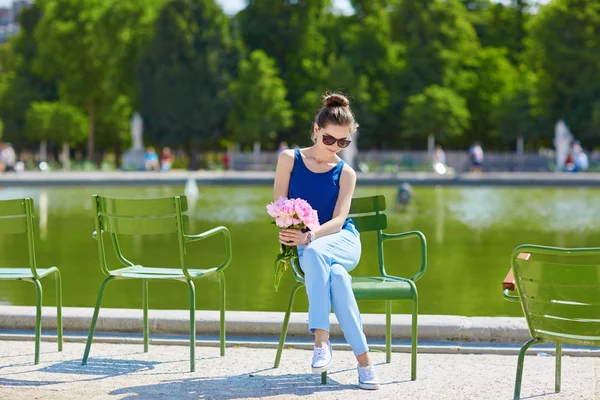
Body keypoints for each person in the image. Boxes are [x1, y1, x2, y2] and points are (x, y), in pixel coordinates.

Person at [273, 93, 379, 390]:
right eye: (330, 140)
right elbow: (279, 204)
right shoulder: (289, 159)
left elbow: (339, 219)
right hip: (308, 247)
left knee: (319, 252)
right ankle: (365, 363)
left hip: (341, 241)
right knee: (338, 279)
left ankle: (321, 339)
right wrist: (291, 231)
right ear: (316, 130)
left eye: (343, 142)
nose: (336, 147)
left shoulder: (346, 172)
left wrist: (310, 235)